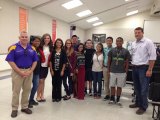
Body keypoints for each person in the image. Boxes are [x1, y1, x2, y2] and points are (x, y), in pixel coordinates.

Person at [6, 31, 38, 118]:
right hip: (17, 71)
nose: (24, 38)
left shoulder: (32, 48)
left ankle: (24, 107)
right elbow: (10, 61)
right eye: (22, 37)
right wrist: (20, 72)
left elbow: (35, 61)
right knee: (16, 91)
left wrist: (31, 71)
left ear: (28, 38)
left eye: (26, 37)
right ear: (19, 37)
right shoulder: (14, 47)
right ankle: (14, 109)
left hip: (29, 71)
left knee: (27, 90)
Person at [129, 27, 156, 115]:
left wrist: (150, 69)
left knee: (144, 89)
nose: (136, 34)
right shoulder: (133, 43)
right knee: (136, 88)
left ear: (142, 33)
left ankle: (143, 106)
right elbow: (133, 55)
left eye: (138, 32)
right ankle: (137, 103)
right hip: (135, 67)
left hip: (144, 68)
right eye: (135, 33)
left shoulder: (148, 42)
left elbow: (152, 57)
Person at [108, 37, 130, 105]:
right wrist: (109, 70)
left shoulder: (126, 51)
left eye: (120, 41)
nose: (119, 42)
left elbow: (127, 62)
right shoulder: (112, 50)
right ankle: (112, 98)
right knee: (112, 85)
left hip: (122, 72)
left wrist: (126, 72)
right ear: (116, 42)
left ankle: (117, 99)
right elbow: (109, 61)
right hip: (113, 71)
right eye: (117, 41)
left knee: (119, 86)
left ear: (122, 42)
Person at [28, 36, 45, 108]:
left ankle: (31, 99)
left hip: (37, 72)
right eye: (36, 41)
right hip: (29, 71)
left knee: (35, 86)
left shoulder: (38, 50)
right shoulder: (28, 48)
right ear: (32, 41)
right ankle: (25, 102)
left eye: (39, 41)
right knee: (27, 87)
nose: (38, 42)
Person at [37, 33, 53, 102]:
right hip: (40, 66)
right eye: (45, 38)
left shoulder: (51, 47)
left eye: (48, 38)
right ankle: (38, 95)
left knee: (43, 81)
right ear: (43, 39)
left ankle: (42, 95)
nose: (47, 39)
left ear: (50, 39)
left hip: (46, 66)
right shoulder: (40, 47)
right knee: (40, 81)